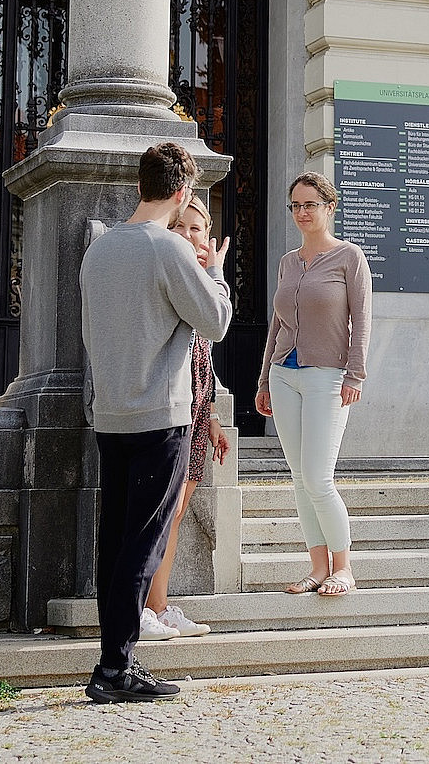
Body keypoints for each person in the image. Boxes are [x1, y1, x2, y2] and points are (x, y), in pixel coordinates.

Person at [78, 142, 232, 704]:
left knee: (114, 543)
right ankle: (115, 669)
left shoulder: (98, 251)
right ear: (182, 192)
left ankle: (112, 662)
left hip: (112, 414)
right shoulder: (169, 250)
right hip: (160, 417)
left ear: (140, 186)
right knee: (142, 545)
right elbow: (214, 322)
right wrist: (213, 271)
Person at [253, 171, 370, 598]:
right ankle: (318, 566)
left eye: (310, 204)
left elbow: (362, 321)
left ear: (329, 207)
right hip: (285, 376)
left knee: (319, 477)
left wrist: (354, 375)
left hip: (328, 378)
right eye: (296, 205)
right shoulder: (288, 261)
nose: (302, 212)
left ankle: (345, 567)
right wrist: (265, 379)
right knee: (300, 478)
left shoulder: (349, 257)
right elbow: (276, 325)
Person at [137, 192, 232, 643]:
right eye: (180, 227)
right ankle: (143, 608)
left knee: (173, 515)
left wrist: (210, 412)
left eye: (197, 229)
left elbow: (205, 350)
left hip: (195, 411)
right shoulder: (173, 272)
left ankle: (160, 606)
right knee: (157, 513)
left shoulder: (201, 278)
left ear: (209, 238)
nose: (189, 236)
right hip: (166, 408)